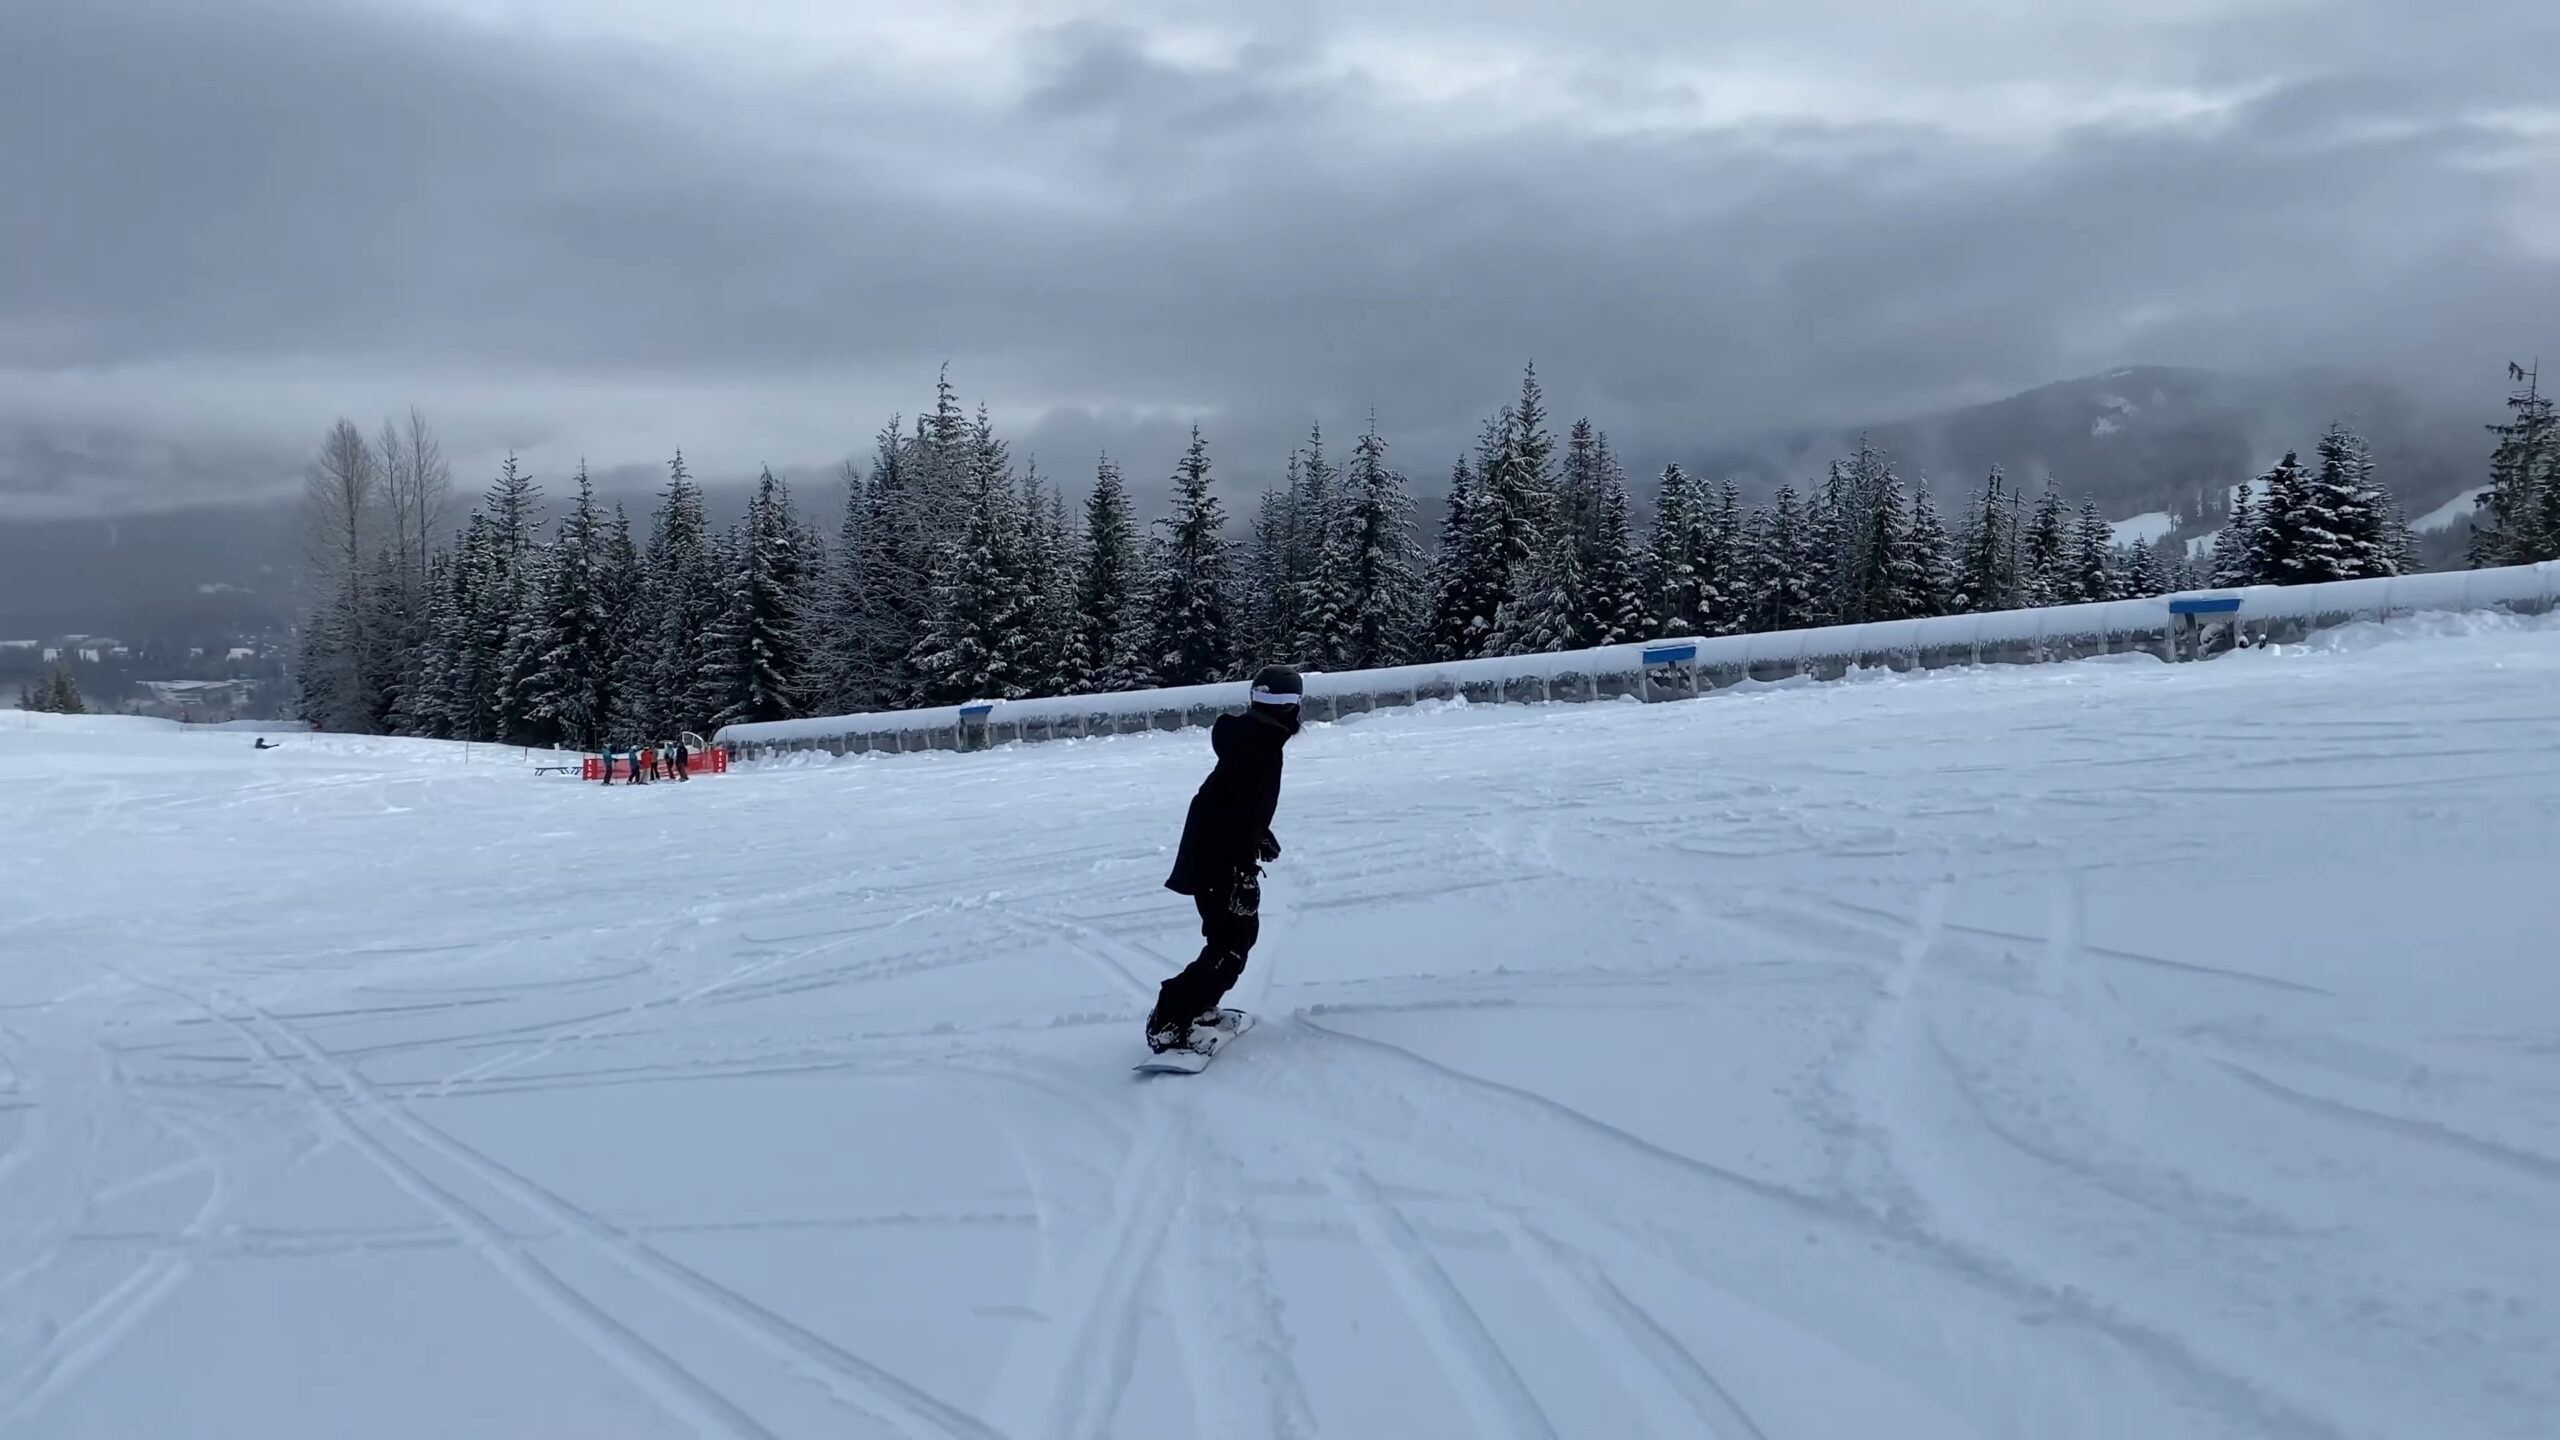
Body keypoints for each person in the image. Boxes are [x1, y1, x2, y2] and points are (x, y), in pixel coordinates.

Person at [1146, 664, 1302, 1052]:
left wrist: (1258, 835)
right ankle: (1170, 1017)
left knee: (1231, 938)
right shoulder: (1261, 747)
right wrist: (1240, 873)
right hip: (1218, 860)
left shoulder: (1252, 737)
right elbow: (1229, 810)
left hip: (1215, 853)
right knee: (1230, 946)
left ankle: (1199, 1007)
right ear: (1292, 707)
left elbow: (1227, 802)